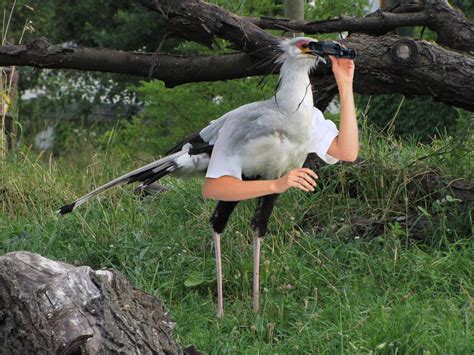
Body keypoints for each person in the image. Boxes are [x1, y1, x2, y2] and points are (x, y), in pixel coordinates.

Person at [202, 55, 358, 201]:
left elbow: (347, 152)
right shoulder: (246, 120)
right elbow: (213, 188)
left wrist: (345, 84)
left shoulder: (306, 117)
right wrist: (276, 185)